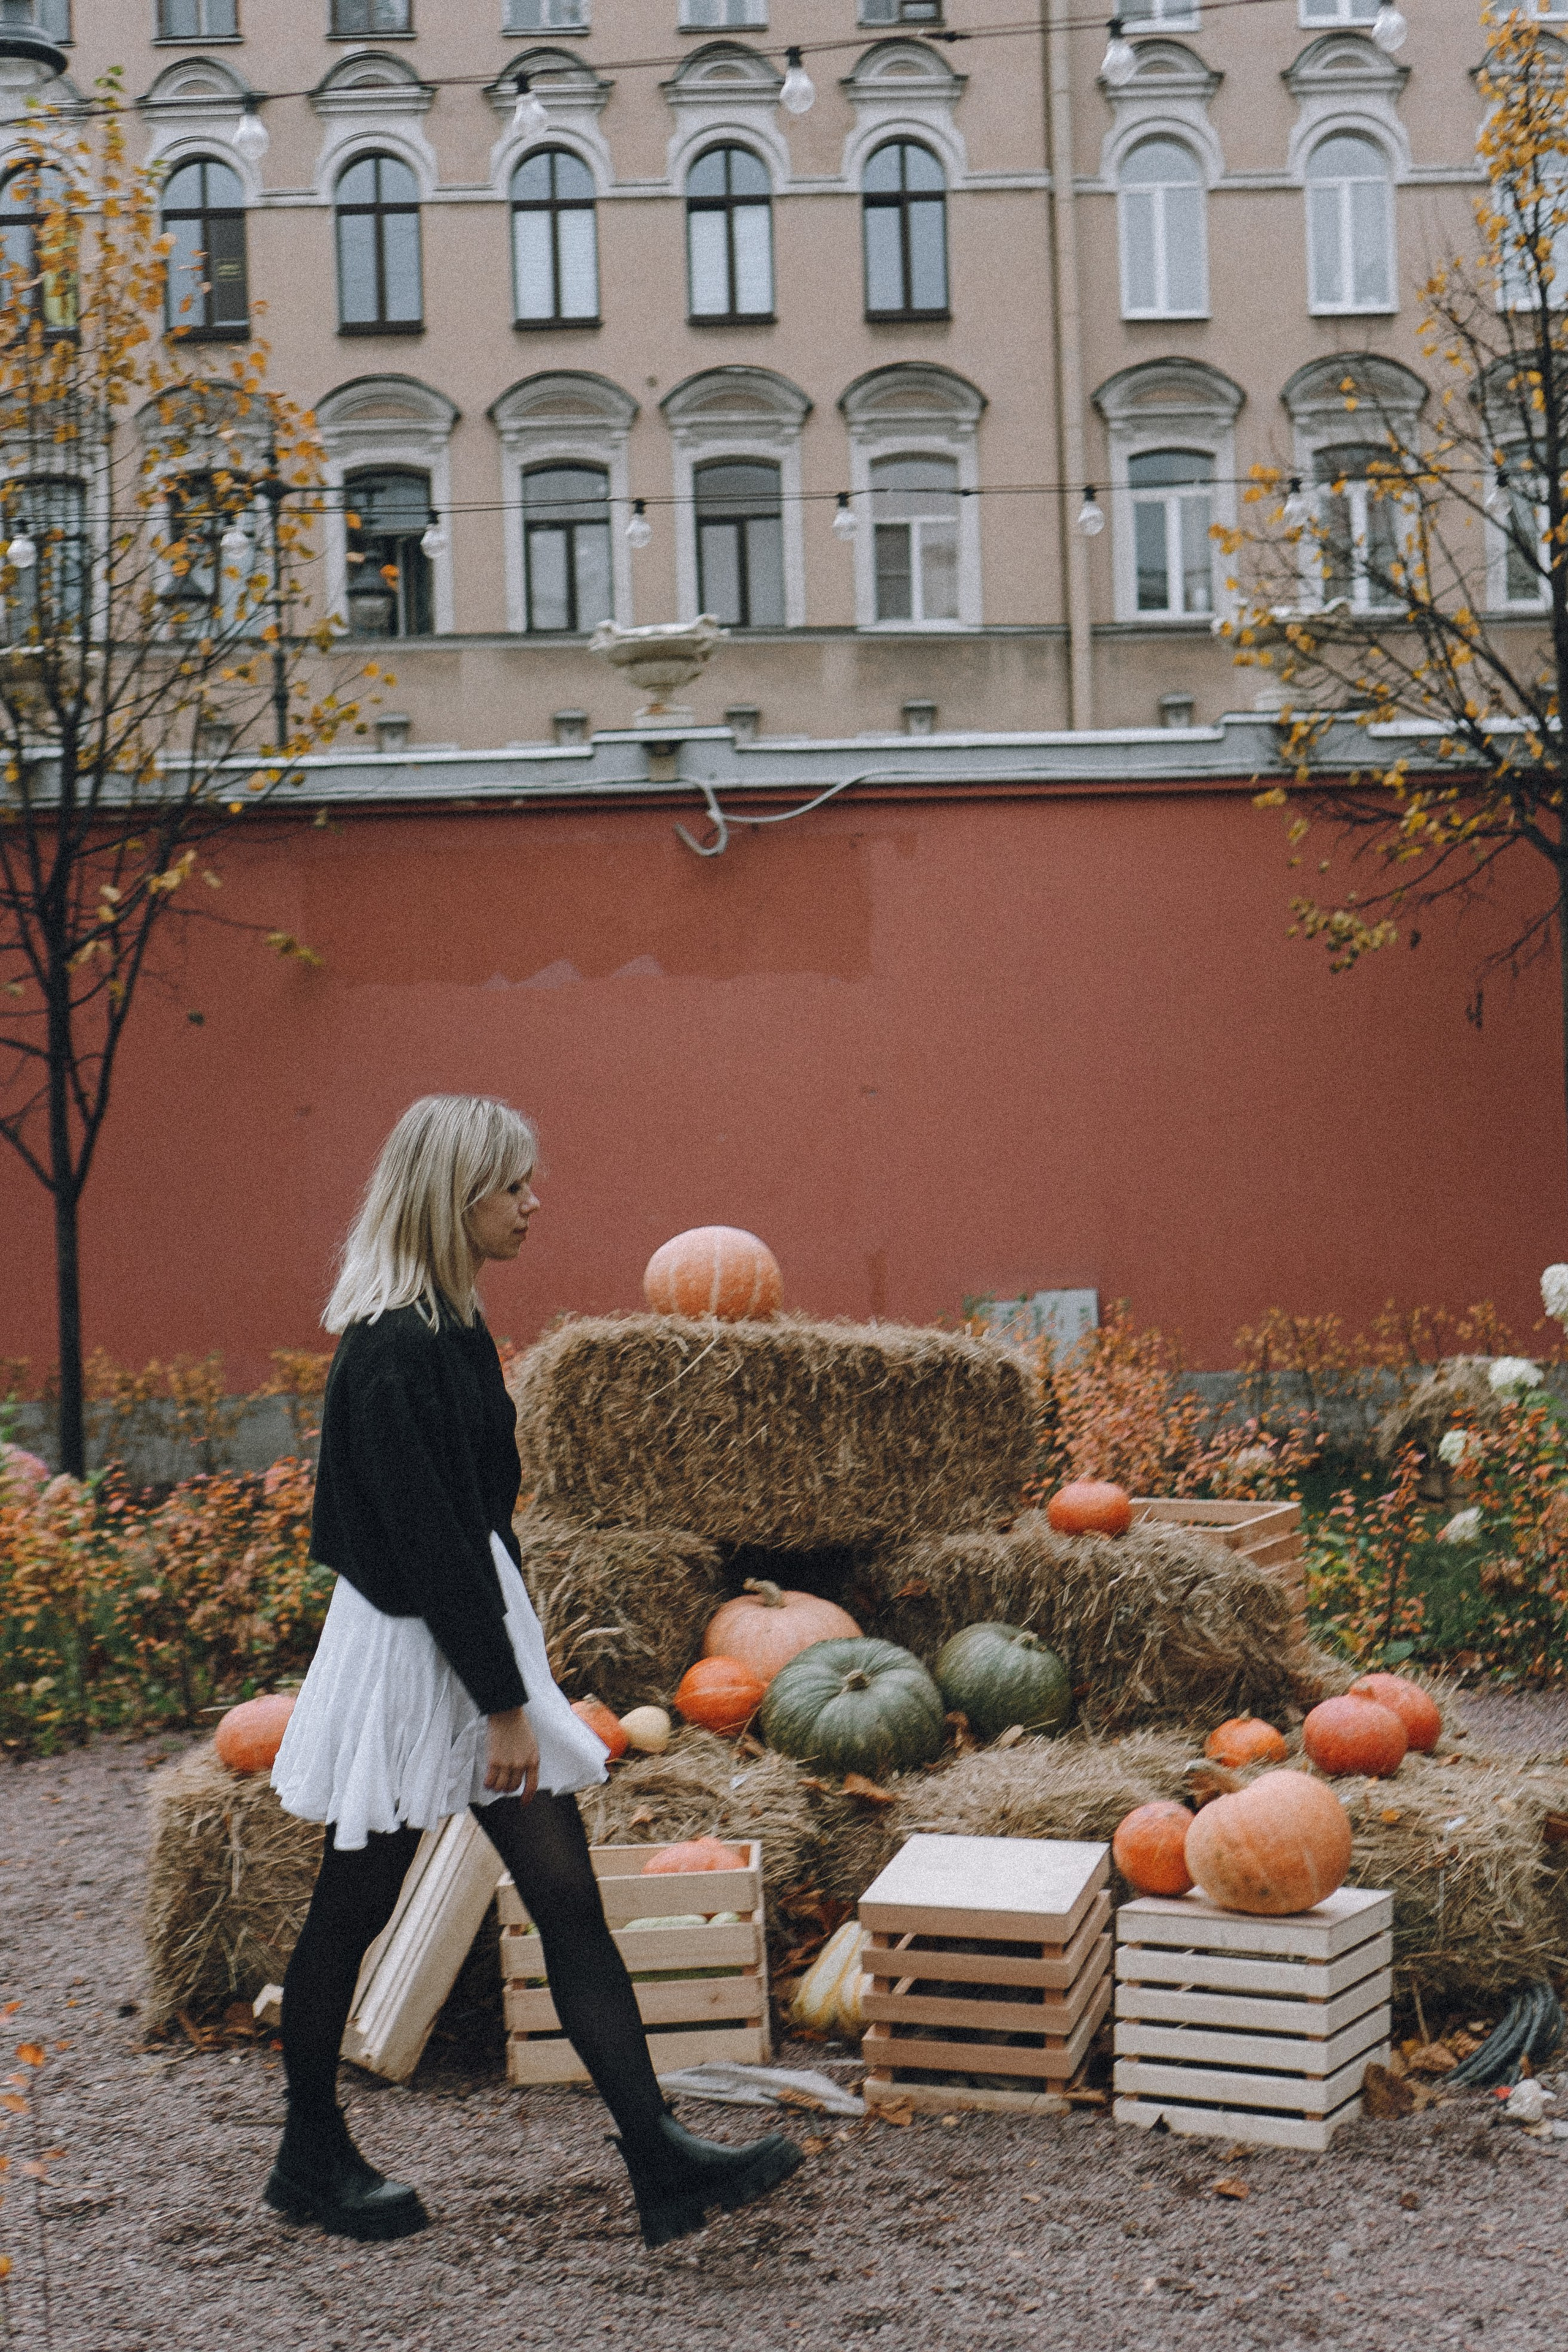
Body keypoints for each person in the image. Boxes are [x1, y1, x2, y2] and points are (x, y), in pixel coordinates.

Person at [267, 1095, 799, 2248]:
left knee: (565, 1901)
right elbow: (426, 1543)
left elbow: (470, 1530)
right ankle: (309, 2156)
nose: (532, 1203)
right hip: (416, 1655)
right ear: (454, 1198)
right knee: (351, 1908)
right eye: (512, 1186)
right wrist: (504, 1702)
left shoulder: (448, 1327)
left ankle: (658, 2155)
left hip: (462, 1634)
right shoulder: (396, 1348)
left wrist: (509, 1663)